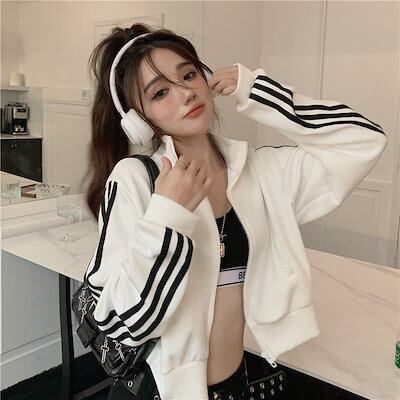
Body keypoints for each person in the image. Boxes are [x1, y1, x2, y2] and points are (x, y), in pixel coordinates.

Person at [82, 22, 387, 400]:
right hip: (162, 391)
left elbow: (364, 141)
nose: (186, 93)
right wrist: (167, 215)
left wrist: (260, 93)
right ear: (139, 122)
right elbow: (122, 323)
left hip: (240, 383)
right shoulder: (136, 180)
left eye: (188, 75)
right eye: (160, 93)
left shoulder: (263, 172)